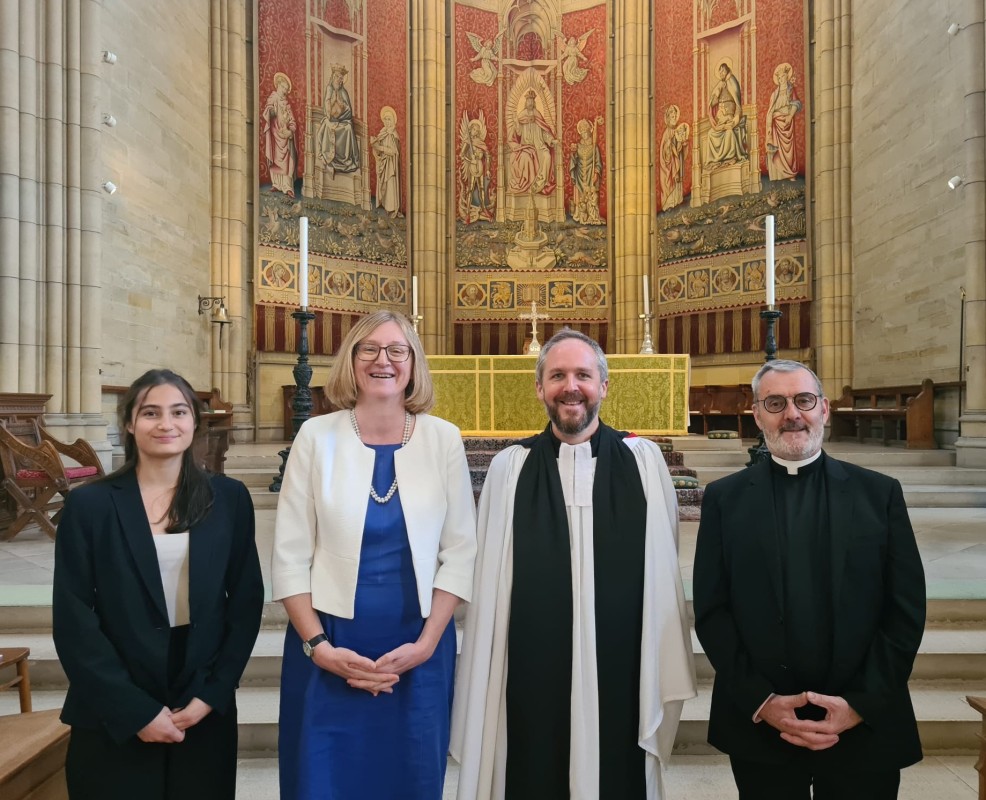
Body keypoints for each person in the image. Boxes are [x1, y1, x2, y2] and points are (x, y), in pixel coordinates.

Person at [450, 330, 696, 800]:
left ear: (604, 385)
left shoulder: (643, 462)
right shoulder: (509, 468)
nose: (571, 386)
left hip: (625, 658)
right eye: (557, 375)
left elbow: (663, 573)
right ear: (540, 388)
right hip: (528, 664)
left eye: (583, 374)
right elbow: (491, 590)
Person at [693, 359, 926, 800]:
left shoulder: (879, 493)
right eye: (775, 403)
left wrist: (860, 704)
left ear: (824, 410)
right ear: (757, 415)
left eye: (804, 400)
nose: (792, 414)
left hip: (864, 722)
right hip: (765, 726)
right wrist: (763, 702)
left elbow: (906, 609)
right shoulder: (725, 499)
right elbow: (712, 609)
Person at [272, 310, 477, 800]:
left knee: (409, 778)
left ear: (413, 364)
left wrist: (427, 645)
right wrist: (321, 648)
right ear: (352, 360)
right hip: (328, 642)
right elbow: (289, 555)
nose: (382, 360)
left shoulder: (442, 438)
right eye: (369, 349)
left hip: (418, 647)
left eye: (396, 350)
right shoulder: (315, 437)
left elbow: (461, 552)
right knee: (322, 781)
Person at [52, 369, 264, 800]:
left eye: (178, 412)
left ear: (194, 422)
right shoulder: (89, 504)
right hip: (113, 701)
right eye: (151, 412)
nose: (166, 424)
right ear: (129, 423)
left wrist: (213, 693)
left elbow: (245, 602)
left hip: (200, 699)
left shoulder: (229, 499)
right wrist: (133, 711)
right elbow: (73, 617)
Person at [508, 89, 557, 195]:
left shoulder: (537, 114)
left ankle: (540, 183)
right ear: (526, 102)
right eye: (528, 101)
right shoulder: (522, 114)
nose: (530, 103)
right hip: (526, 146)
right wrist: (517, 123)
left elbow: (544, 132)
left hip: (539, 145)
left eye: (531, 101)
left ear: (534, 102)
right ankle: (529, 184)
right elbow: (518, 133)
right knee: (527, 158)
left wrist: (551, 140)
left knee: (547, 156)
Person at [315, 65, 360, 178]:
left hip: (343, 121)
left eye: (341, 78)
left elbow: (349, 111)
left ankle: (344, 160)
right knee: (328, 126)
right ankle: (330, 159)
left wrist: (342, 107)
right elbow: (326, 107)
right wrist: (331, 107)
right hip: (331, 119)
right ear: (333, 77)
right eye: (338, 77)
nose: (339, 80)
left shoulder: (343, 91)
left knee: (349, 128)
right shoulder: (329, 89)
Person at [703, 60, 748, 167]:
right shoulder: (721, 84)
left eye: (723, 71)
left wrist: (734, 120)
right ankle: (716, 160)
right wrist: (716, 94)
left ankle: (730, 158)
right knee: (711, 133)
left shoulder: (732, 82)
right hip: (721, 118)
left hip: (731, 116)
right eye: (720, 72)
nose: (721, 74)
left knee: (729, 133)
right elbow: (713, 103)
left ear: (727, 70)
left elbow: (738, 104)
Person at [261, 72, 297, 196]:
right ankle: (276, 184)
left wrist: (290, 131)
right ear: (278, 86)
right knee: (275, 159)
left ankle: (287, 187)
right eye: (283, 88)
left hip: (285, 137)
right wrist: (271, 111)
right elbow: (268, 110)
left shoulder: (287, 105)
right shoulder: (273, 97)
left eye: (286, 90)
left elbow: (292, 122)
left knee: (287, 161)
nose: (285, 91)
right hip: (275, 134)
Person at [765, 63, 803, 181]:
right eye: (779, 77)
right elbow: (770, 110)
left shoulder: (791, 90)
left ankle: (790, 174)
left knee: (789, 149)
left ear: (787, 76)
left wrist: (790, 116)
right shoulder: (774, 94)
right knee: (778, 149)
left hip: (787, 122)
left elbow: (797, 103)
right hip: (776, 124)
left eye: (783, 76)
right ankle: (778, 174)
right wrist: (769, 126)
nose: (781, 79)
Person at [569, 117, 604, 224]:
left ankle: (591, 215)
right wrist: (573, 153)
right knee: (580, 197)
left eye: (586, 132)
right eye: (582, 132)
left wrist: (596, 173)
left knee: (591, 196)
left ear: (590, 131)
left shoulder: (594, 147)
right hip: (579, 175)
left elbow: (598, 163)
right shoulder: (578, 146)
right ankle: (579, 215)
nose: (584, 134)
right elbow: (574, 161)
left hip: (590, 175)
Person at [370, 105, 401, 217]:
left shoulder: (393, 134)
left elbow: (393, 151)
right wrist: (375, 146)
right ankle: (384, 205)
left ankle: (391, 208)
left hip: (390, 165)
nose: (387, 122)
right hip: (382, 163)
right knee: (384, 184)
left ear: (393, 120)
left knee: (390, 184)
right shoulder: (383, 132)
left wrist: (380, 148)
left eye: (389, 119)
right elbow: (378, 148)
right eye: (385, 119)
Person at [659, 105, 688, 211]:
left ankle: (678, 200)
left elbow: (682, 151)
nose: (674, 117)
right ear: (668, 118)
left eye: (675, 116)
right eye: (672, 116)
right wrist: (670, 145)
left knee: (678, 182)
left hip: (677, 161)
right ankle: (669, 203)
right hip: (669, 165)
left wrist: (683, 143)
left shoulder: (678, 130)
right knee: (670, 181)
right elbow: (664, 153)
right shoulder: (666, 134)